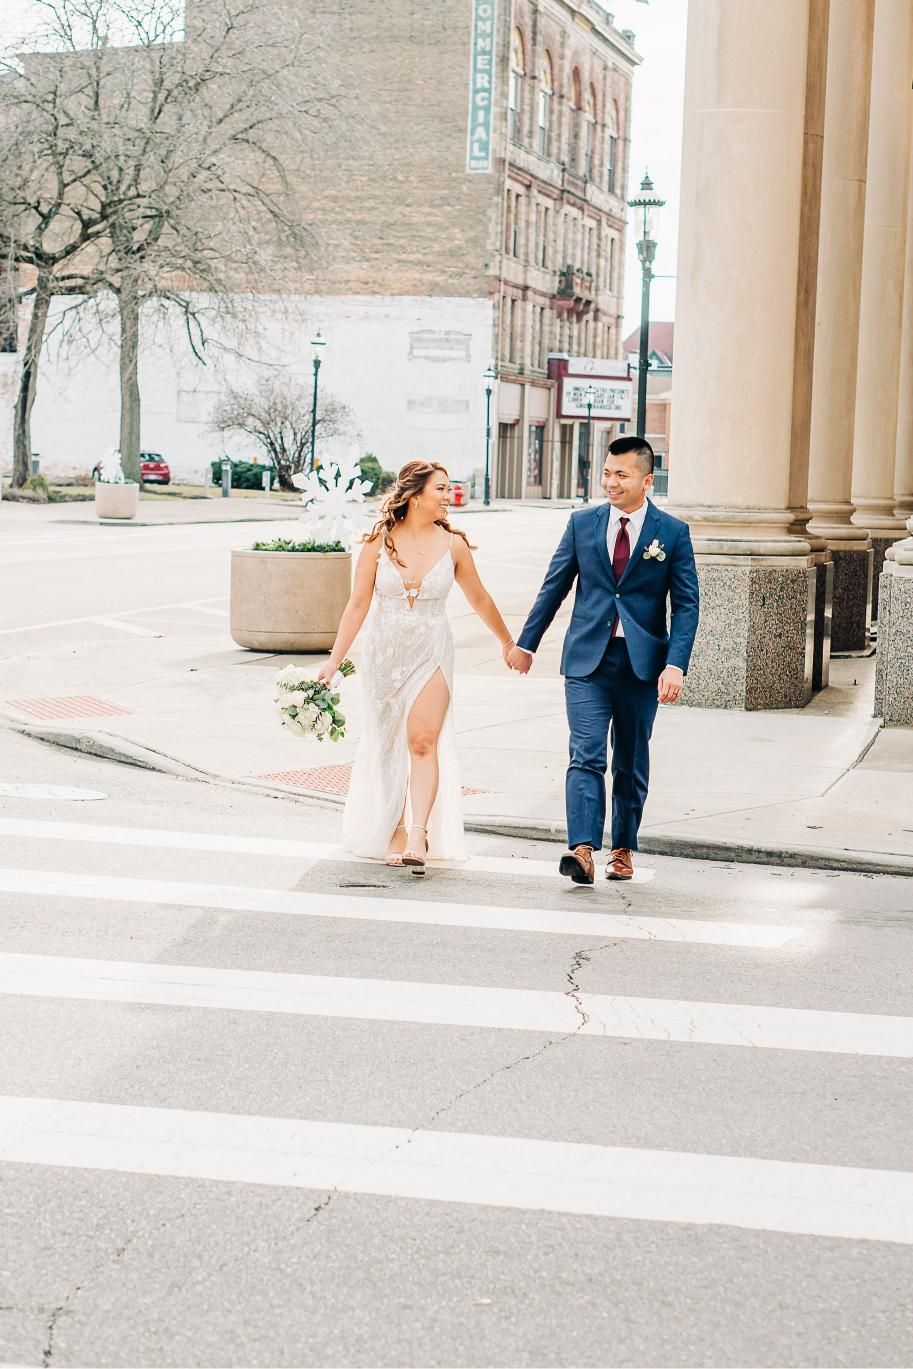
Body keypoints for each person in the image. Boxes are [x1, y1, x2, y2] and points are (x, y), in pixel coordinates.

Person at [507, 436, 699, 883]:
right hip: (587, 662)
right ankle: (582, 849)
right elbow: (554, 587)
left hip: (641, 666)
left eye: (622, 475)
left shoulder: (672, 533)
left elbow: (686, 605)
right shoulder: (582, 524)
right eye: (607, 473)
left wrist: (676, 664)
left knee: (630, 760)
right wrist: (527, 643)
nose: (611, 482)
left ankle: (624, 848)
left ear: (647, 480)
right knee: (586, 755)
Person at [319, 460, 515, 874]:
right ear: (415, 494)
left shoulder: (454, 544)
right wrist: (334, 661)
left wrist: (508, 642)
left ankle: (418, 831)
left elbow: (479, 598)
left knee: (423, 741)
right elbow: (357, 605)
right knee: (386, 743)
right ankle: (390, 825)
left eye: (449, 488)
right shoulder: (377, 543)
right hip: (383, 655)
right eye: (441, 489)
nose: (448, 496)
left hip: (432, 651)